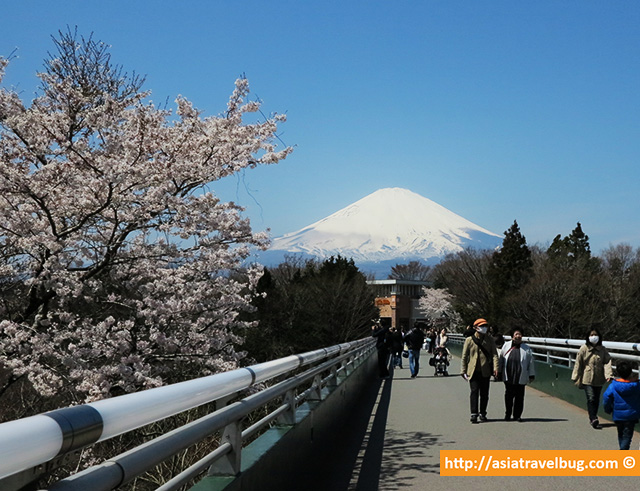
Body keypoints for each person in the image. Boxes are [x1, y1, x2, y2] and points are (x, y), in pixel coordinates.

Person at [571, 328, 613, 429]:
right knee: (591, 398)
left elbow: (607, 362)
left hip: (599, 378)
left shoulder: (602, 349)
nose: (594, 337)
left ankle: (593, 416)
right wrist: (575, 376)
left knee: (596, 399)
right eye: (591, 335)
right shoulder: (584, 349)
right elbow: (578, 363)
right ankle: (593, 418)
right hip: (587, 377)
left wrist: (608, 375)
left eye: (595, 335)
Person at [461, 318, 499, 423]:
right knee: (474, 391)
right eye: (482, 326)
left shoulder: (489, 339)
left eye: (486, 326)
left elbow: (495, 354)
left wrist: (496, 368)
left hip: (485, 369)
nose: (484, 328)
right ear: (476, 327)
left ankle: (483, 412)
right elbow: (464, 356)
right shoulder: (469, 340)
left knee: (484, 393)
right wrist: (463, 370)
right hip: (473, 370)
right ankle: (474, 413)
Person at [499, 327, 535, 421]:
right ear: (512, 336)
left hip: (521, 375)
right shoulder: (506, 345)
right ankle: (508, 414)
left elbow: (530, 362)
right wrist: (499, 371)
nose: (518, 336)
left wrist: (531, 374)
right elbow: (501, 359)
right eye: (516, 334)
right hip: (509, 375)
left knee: (519, 397)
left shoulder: (526, 348)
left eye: (520, 334)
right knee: (509, 396)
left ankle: (517, 415)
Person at [603, 360, 640, 450]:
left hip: (618, 415)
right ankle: (623, 450)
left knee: (620, 434)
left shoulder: (613, 385)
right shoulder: (637, 385)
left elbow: (606, 398)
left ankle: (623, 450)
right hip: (632, 415)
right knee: (628, 435)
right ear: (631, 372)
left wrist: (608, 409)